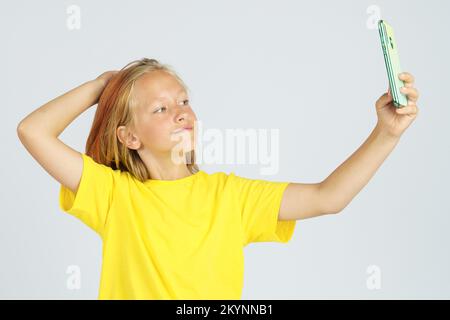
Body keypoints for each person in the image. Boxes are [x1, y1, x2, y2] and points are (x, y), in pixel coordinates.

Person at [16, 57, 420, 299]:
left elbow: (328, 197)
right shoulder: (112, 194)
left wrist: (386, 133)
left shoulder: (230, 196)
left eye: (184, 101)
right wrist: (99, 87)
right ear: (129, 136)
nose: (180, 112)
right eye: (160, 109)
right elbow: (32, 131)